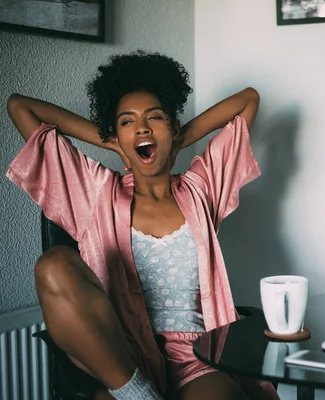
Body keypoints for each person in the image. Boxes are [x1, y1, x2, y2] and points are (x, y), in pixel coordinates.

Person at [6, 50, 279, 400]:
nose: (143, 128)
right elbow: (20, 107)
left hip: (195, 356)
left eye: (155, 118)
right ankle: (138, 394)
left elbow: (247, 100)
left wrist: (178, 139)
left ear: (172, 127)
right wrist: (109, 139)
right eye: (127, 121)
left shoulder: (201, 189)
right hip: (119, 352)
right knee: (53, 265)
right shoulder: (95, 193)